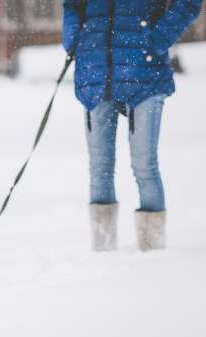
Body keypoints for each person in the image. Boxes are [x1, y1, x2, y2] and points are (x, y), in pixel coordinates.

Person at [62, 0, 203, 251]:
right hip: (97, 71)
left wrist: (157, 39)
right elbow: (72, 4)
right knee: (99, 168)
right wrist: (76, 40)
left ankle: (152, 252)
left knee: (144, 165)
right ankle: (102, 254)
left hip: (144, 73)